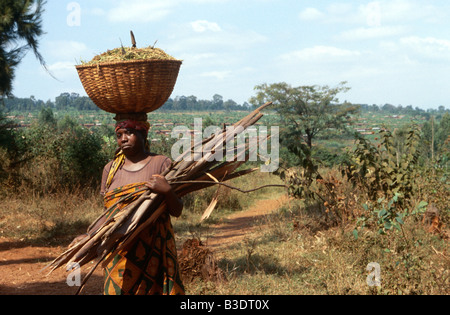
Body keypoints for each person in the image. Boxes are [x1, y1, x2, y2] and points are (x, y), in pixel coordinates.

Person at [81, 113, 185, 295]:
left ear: (143, 134)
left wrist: (167, 190)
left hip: (154, 251)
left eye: (129, 133)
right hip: (119, 250)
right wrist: (89, 236)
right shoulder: (110, 169)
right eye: (119, 135)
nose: (123, 139)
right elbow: (109, 214)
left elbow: (177, 210)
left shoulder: (161, 163)